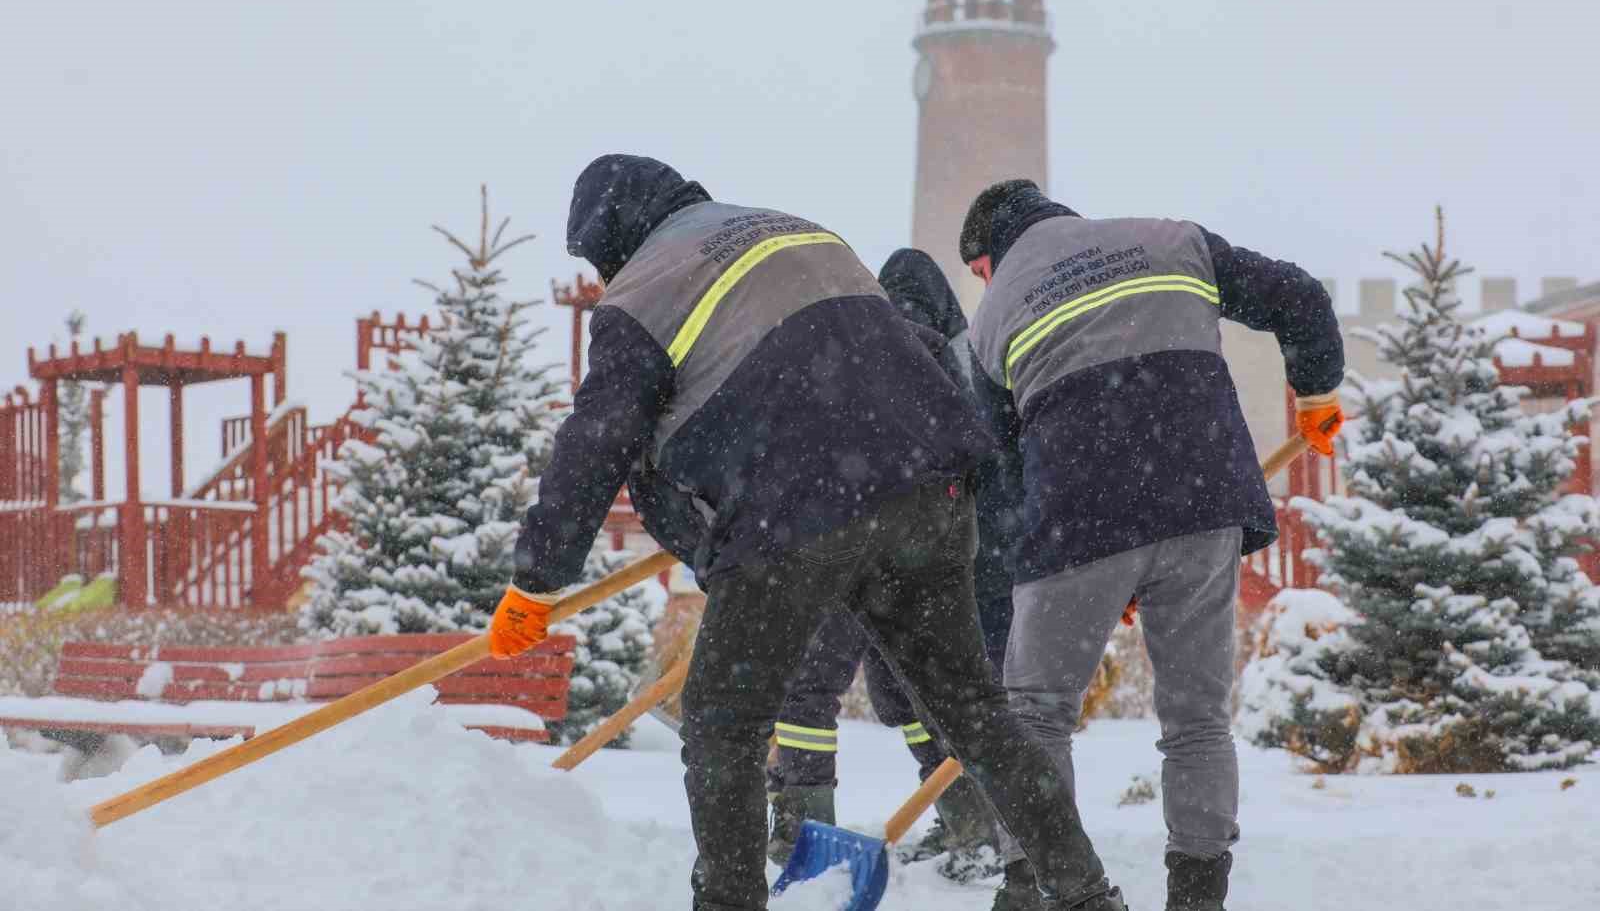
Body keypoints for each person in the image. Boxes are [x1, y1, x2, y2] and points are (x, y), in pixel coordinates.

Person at [486, 155, 1126, 911]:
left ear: (612, 238)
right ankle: (1087, 897)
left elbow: (601, 436)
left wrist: (537, 577)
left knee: (724, 727)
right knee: (978, 716)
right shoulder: (801, 234)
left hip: (793, 511)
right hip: (931, 490)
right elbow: (918, 348)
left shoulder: (643, 292)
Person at [958, 179, 1345, 911]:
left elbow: (1003, 480)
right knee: (1197, 717)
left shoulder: (991, 321)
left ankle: (1037, 889)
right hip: (1204, 506)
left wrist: (1065, 574)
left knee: (1034, 715)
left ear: (987, 258)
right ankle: (1198, 897)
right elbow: (1297, 294)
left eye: (979, 273)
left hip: (1077, 520)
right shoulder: (1174, 239)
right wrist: (1318, 390)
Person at [763, 249, 1016, 878]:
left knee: (811, 682)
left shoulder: (866, 344)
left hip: (853, 538)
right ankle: (971, 823)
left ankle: (801, 831)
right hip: (929, 548)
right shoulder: (967, 358)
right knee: (906, 687)